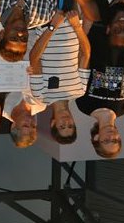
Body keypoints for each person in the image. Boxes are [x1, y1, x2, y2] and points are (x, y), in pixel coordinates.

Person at [72, 0, 124, 158]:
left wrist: (85, 26)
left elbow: (82, 61)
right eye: (116, 140)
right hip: (121, 32)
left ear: (96, 138)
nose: (112, 136)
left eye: (106, 141)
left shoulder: (84, 105)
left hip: (96, 30)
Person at [28, 10, 91, 144]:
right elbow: (85, 54)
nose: (66, 121)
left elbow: (34, 58)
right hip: (73, 20)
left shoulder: (41, 95)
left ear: (53, 123)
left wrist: (53, 26)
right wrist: (77, 26)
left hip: (47, 21)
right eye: (70, 125)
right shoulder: (80, 90)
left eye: (62, 126)